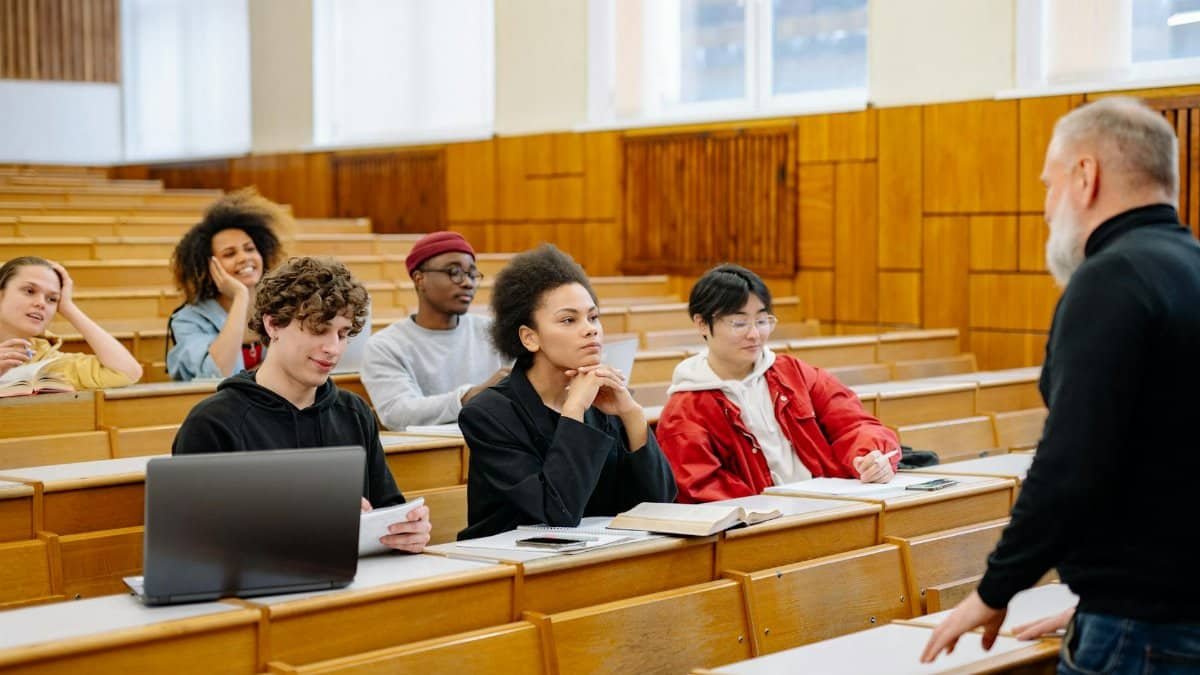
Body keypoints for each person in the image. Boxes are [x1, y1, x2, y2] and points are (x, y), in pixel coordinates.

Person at [922, 97, 1200, 672]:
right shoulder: (1190, 266)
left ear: (1085, 175)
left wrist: (995, 590)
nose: (1047, 209)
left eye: (1049, 185)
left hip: (1145, 628)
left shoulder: (1112, 278)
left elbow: (1072, 461)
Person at [173, 257, 431, 553]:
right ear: (273, 325)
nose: (333, 348)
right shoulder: (212, 423)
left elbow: (387, 509)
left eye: (343, 333)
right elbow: (191, 545)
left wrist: (407, 530)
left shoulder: (354, 412)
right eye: (319, 329)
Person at [456, 244, 676, 539]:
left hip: (596, 558)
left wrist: (632, 414)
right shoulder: (488, 414)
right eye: (569, 320)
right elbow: (556, 513)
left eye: (593, 317)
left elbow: (659, 506)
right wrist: (574, 411)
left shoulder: (603, 400)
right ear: (530, 337)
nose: (591, 330)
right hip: (514, 570)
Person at [654, 264, 900, 503]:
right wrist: (771, 509)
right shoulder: (686, 409)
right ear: (702, 324)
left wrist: (870, 456)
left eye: (762, 321)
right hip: (765, 527)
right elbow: (699, 487)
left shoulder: (793, 374)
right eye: (739, 323)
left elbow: (853, 423)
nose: (754, 334)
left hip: (830, 506)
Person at [361, 231, 507, 430]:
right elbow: (397, 413)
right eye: (454, 272)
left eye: (472, 274)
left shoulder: (494, 332)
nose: (467, 283)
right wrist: (469, 396)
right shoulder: (385, 346)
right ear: (420, 279)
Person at [166, 188, 285, 381]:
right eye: (230, 254)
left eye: (250, 249)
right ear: (208, 267)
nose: (244, 258)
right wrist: (240, 296)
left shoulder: (281, 307)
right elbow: (216, 374)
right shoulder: (187, 320)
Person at [0, 256, 142, 388]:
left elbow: (127, 372)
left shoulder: (45, 361)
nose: (41, 303)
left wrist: (68, 307)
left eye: (52, 299)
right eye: (29, 291)